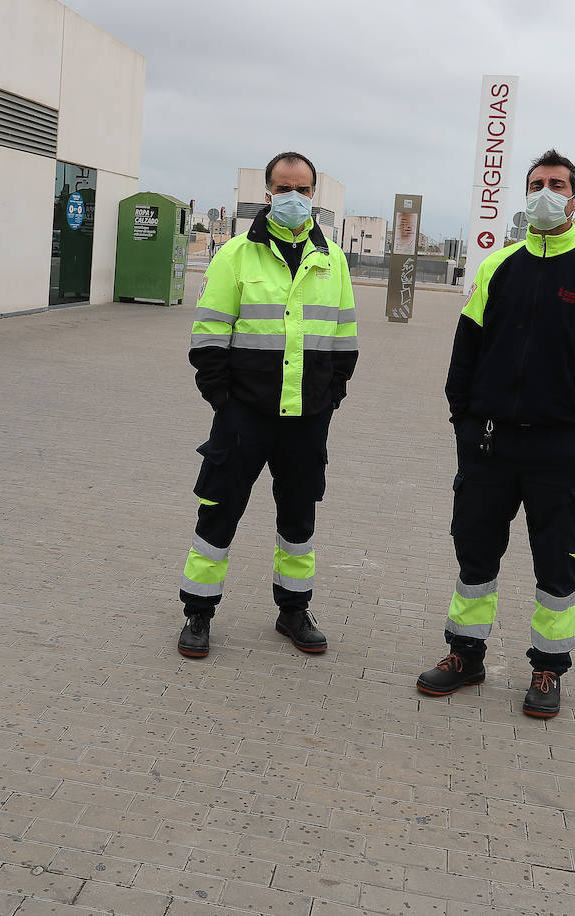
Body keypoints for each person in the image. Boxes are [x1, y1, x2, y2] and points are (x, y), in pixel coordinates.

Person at [417, 149, 575, 718]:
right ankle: (465, 655)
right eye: (537, 183)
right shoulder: (497, 267)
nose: (546, 192)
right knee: (474, 554)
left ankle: (547, 668)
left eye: (557, 184)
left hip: (560, 449)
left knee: (557, 562)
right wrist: (464, 422)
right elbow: (465, 353)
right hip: (488, 443)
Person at [177, 151, 359, 658]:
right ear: (268, 193)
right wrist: (224, 400)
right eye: (285, 188)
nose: (294, 198)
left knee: (299, 517)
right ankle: (198, 611)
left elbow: (345, 341)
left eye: (303, 190)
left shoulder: (332, 260)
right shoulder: (236, 254)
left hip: (307, 417)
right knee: (219, 511)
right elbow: (208, 338)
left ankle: (294, 610)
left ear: (314, 195)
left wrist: (330, 397)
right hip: (243, 415)